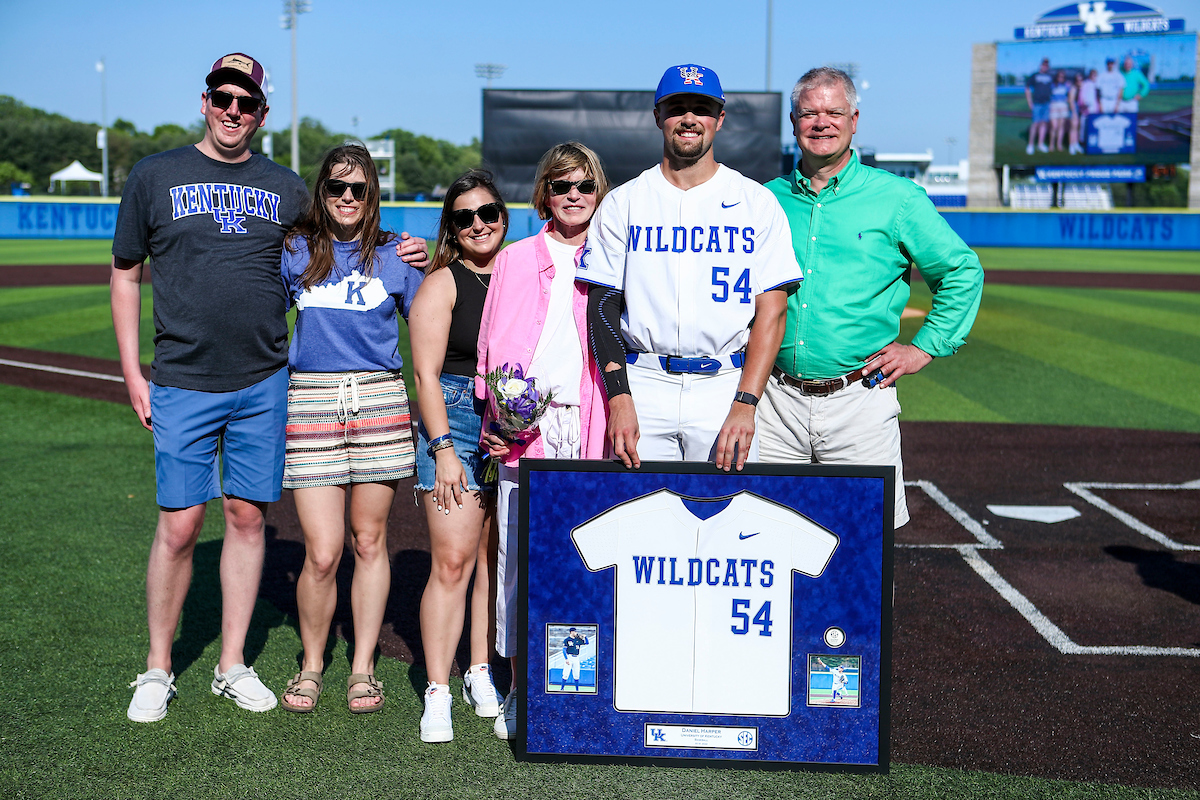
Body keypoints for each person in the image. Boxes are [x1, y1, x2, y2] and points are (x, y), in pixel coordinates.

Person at [114, 53, 428, 723]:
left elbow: (422, 315)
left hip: (288, 388)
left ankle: (244, 664)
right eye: (224, 97)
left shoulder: (319, 210)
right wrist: (131, 371)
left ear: (260, 111)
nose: (234, 109)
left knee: (262, 521)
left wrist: (428, 250)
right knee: (194, 528)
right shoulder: (165, 178)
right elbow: (127, 272)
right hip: (215, 382)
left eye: (247, 102)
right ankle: (160, 668)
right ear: (206, 101)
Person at [757, 67, 983, 529]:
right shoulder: (764, 200)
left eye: (834, 112)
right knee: (766, 542)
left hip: (858, 401)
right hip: (774, 403)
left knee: (863, 552)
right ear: (793, 121)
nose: (821, 123)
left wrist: (924, 347)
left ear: (854, 120)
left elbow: (961, 271)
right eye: (810, 113)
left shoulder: (898, 199)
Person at [580, 64, 802, 472]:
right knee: (639, 521)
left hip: (725, 386)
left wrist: (746, 403)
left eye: (701, 108)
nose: (688, 118)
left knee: (726, 521)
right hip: (643, 382)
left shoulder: (756, 202)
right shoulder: (625, 202)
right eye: (676, 107)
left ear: (719, 119)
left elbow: (773, 312)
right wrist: (618, 396)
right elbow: (602, 306)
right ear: (658, 117)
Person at [277, 144, 425, 714]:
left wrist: (431, 257)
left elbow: (435, 323)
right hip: (311, 400)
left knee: (369, 541)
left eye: (357, 189)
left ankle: (362, 667)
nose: (345, 198)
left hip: (380, 401)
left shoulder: (396, 256)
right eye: (336, 188)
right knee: (321, 550)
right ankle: (312, 665)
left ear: (372, 195)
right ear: (322, 192)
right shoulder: (295, 251)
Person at [475, 142, 611, 738]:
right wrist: (498, 419)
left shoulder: (616, 255)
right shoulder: (514, 257)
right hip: (523, 427)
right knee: (517, 558)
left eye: (584, 184)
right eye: (560, 185)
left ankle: (579, 686)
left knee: (584, 556)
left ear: (599, 189)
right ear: (544, 194)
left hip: (591, 422)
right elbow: (488, 351)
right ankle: (521, 687)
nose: (573, 195)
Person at [410, 170, 506, 743]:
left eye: (487, 213)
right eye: (465, 217)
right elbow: (423, 373)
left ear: (503, 214)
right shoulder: (442, 283)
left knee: (492, 561)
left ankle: (478, 672)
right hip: (455, 416)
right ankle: (438, 690)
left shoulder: (522, 271)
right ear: (451, 225)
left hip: (514, 420)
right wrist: (444, 448)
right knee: (452, 561)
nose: (478, 225)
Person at [1024, 58, 1053, 155]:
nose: (1045, 66)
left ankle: (1040, 144)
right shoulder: (1035, 75)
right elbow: (1027, 88)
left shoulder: (1050, 76)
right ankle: (1031, 144)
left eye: (1047, 65)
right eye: (1044, 65)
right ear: (1040, 65)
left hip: (1046, 103)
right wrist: (1029, 102)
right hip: (1037, 103)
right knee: (1035, 124)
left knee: (1044, 124)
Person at [1048, 69, 1071, 152]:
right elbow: (1048, 95)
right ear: (1057, 77)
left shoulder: (1066, 85)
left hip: (1063, 106)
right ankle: (1051, 144)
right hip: (1054, 106)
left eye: (1062, 77)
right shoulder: (1052, 85)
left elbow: (1070, 95)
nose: (1061, 78)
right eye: (1059, 76)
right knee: (1054, 126)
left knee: (1061, 126)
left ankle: (1059, 144)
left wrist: (1067, 100)